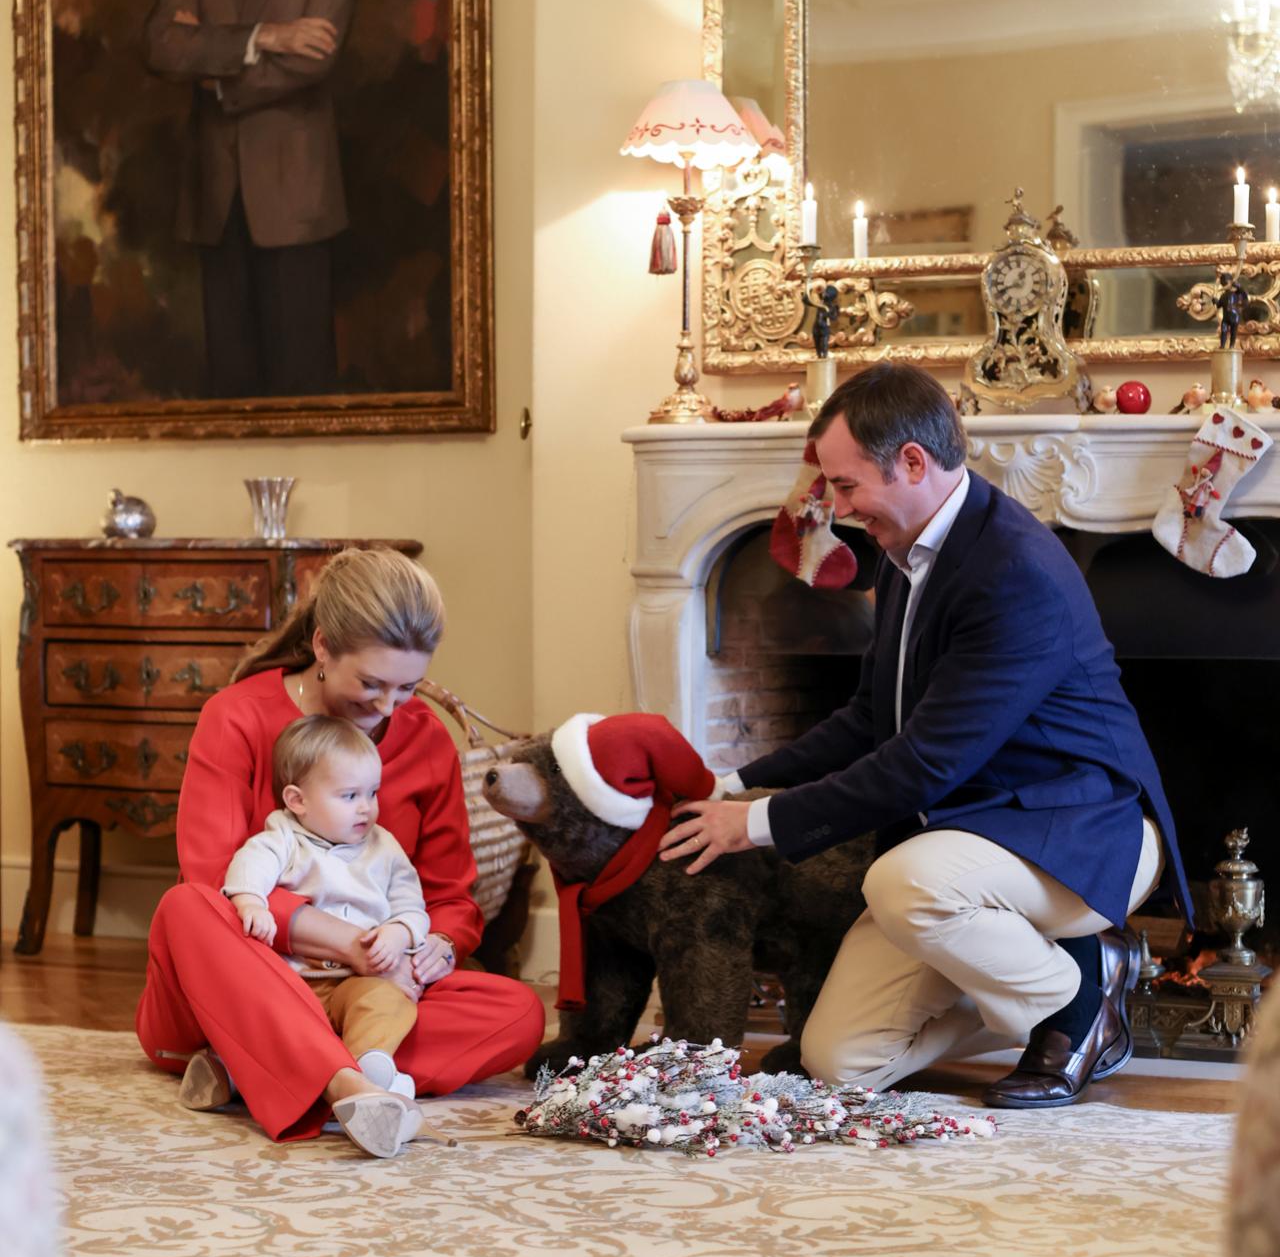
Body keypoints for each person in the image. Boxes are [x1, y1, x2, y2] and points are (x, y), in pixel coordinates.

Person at [661, 362, 1191, 1110]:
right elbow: (870, 717)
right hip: (971, 842)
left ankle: (1078, 1000)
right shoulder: (908, 550)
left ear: (913, 461)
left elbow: (924, 763)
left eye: (845, 486)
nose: (838, 508)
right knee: (840, 1059)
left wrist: (755, 825)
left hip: (1080, 831)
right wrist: (735, 784)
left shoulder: (1013, 569)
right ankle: (1048, 985)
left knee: (901, 881)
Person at [135, 546, 544, 1158]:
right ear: (323, 647)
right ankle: (348, 1081)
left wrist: (437, 945)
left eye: (407, 687)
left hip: (370, 988)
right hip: (242, 982)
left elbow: (451, 898)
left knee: (517, 1013)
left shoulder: (426, 740)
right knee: (187, 908)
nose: (386, 707)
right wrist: (350, 945)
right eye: (371, 683)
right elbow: (216, 882)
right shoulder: (237, 718)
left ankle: (250, 1068)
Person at [144, 0, 358, 399]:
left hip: (295, 194)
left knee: (301, 388)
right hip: (216, 195)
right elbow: (159, 43)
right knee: (231, 394)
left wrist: (214, 75)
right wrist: (265, 35)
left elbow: (318, 53)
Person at [223, 716, 434, 1106]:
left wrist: (399, 932)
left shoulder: (383, 847)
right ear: (297, 800)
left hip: (356, 981)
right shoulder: (283, 837)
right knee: (260, 1016)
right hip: (292, 981)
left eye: (372, 793)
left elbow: (413, 906)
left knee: (389, 1001)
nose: (366, 809)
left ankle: (365, 1066)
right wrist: (250, 900)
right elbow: (250, 863)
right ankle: (236, 1070)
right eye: (349, 796)